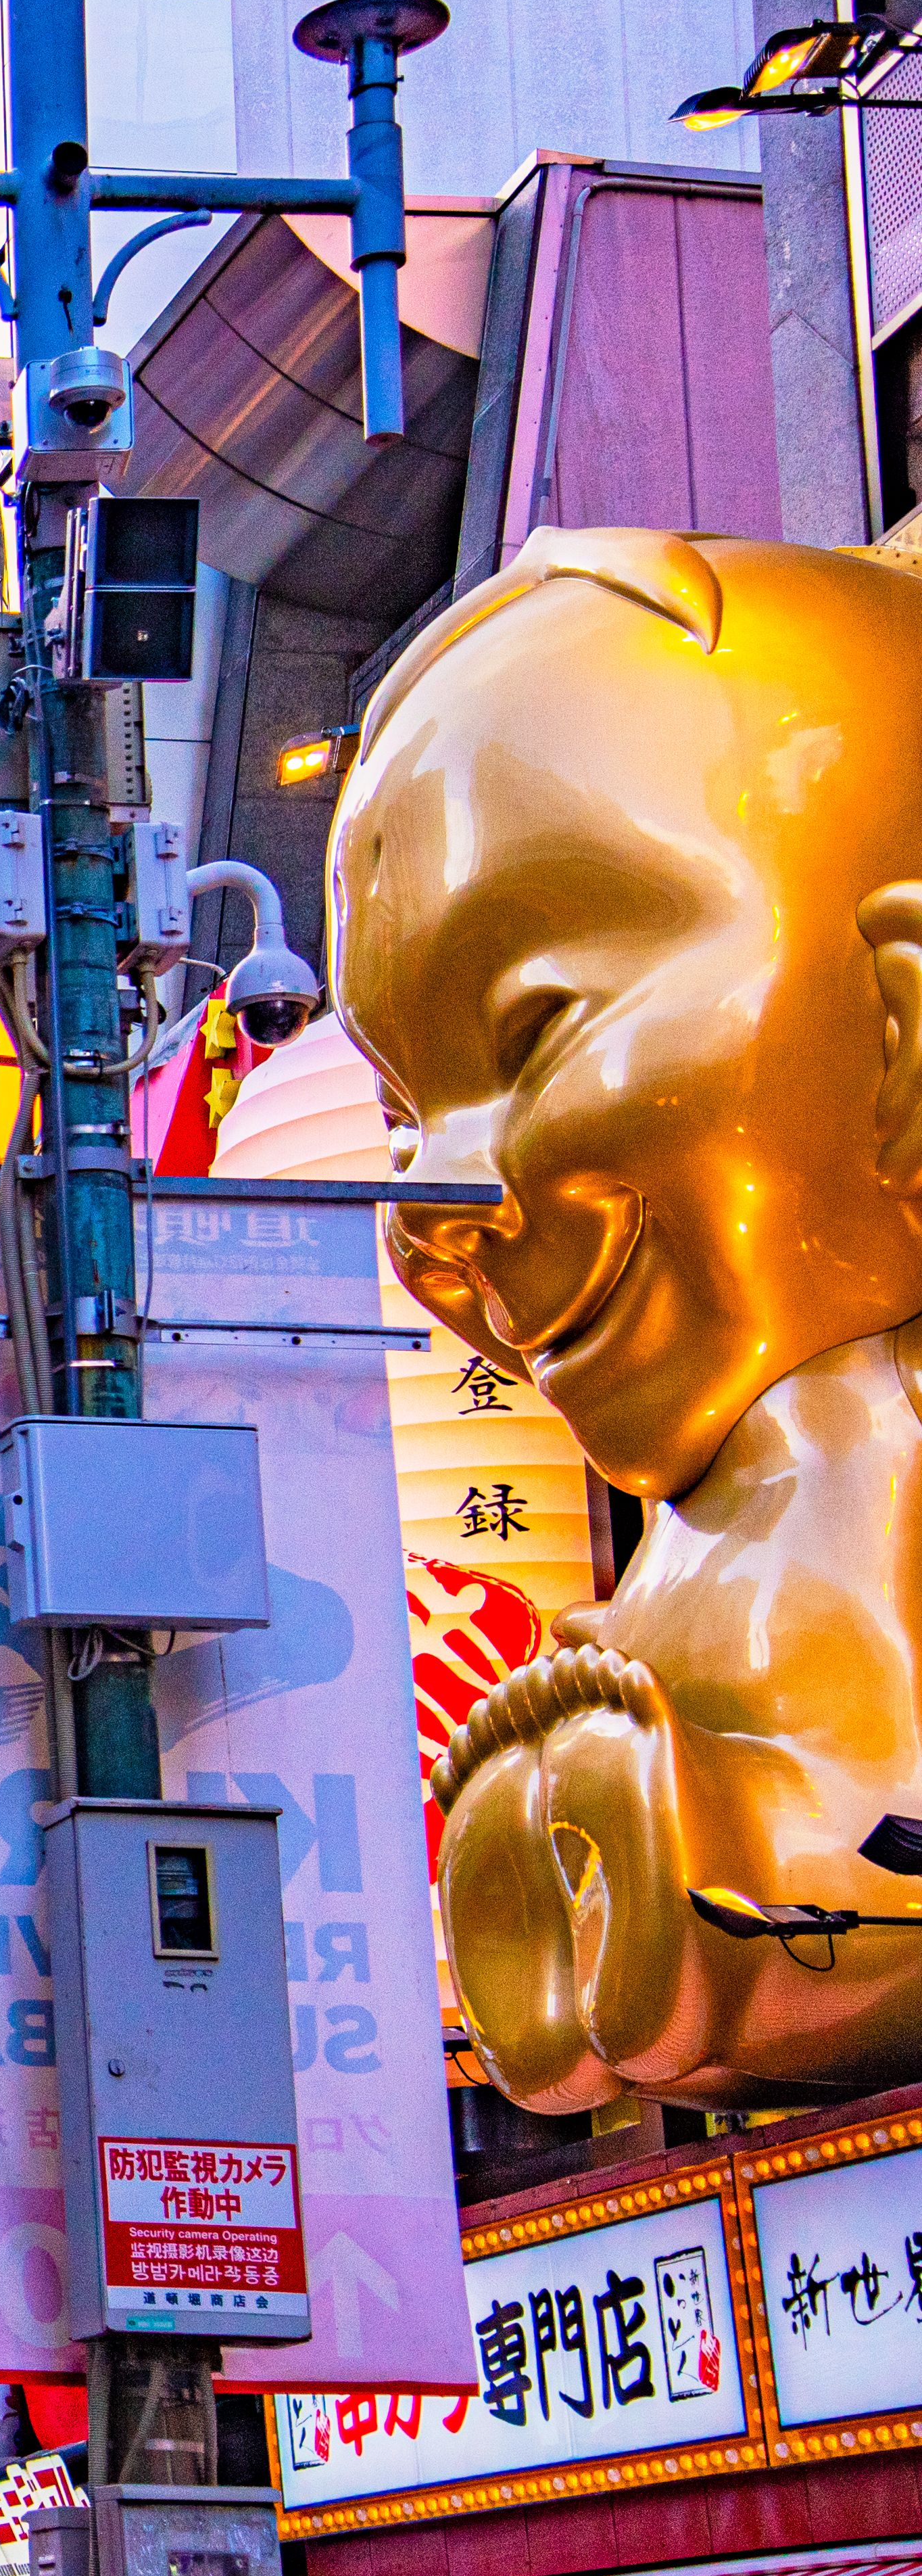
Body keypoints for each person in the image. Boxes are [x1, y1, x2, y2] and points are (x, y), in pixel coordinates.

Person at [333, 524, 922, 2109]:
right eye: (400, 1117)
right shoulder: (732, 1504)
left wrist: (736, 1869)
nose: (433, 1209)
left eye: (534, 1028)